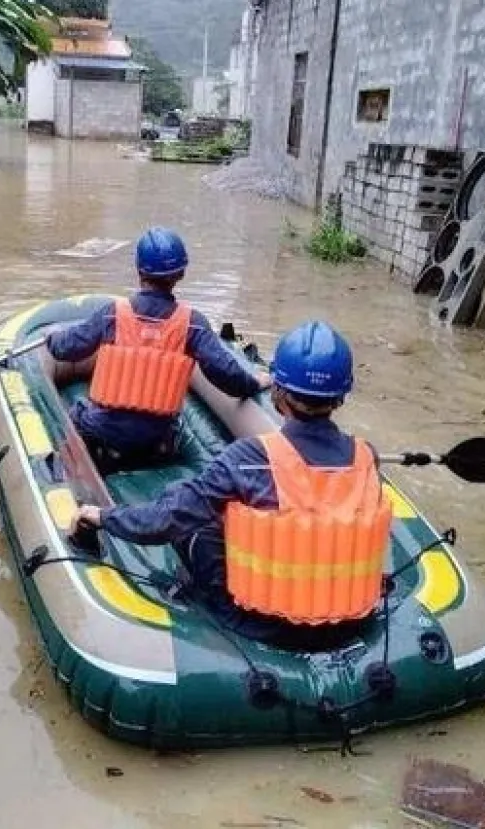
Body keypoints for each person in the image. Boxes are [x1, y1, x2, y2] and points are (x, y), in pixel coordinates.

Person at [71, 320, 393, 641]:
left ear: (278, 391)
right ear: (340, 398)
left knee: (186, 506)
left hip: (261, 620)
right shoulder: (367, 457)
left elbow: (169, 518)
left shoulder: (249, 459)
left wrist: (101, 516)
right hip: (347, 616)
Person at [46, 227, 270, 473]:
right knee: (174, 428)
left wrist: (52, 339)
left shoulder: (113, 314)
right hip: (156, 442)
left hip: (104, 436)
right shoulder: (193, 323)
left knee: (74, 413)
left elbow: (66, 349)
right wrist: (253, 384)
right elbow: (227, 375)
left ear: (139, 270)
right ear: (181, 273)